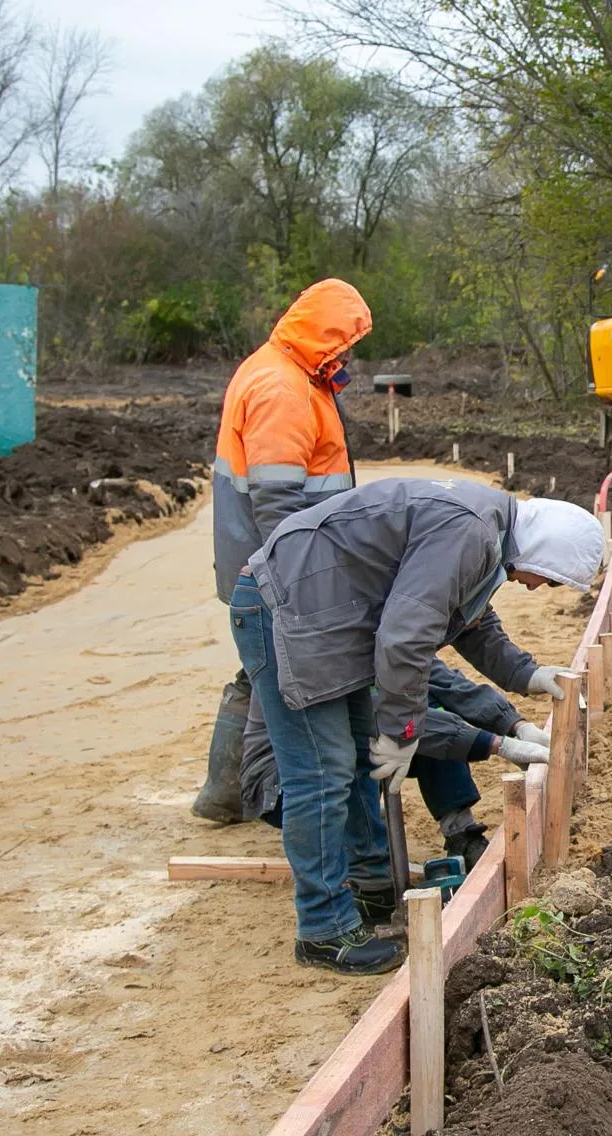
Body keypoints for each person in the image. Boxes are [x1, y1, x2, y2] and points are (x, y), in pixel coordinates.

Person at [233, 478, 604, 974]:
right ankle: (323, 930)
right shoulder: (472, 532)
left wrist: (527, 675)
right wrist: (404, 733)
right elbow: (406, 641)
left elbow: (469, 620)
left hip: (326, 614)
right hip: (287, 610)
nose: (540, 589)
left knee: (357, 761)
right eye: (550, 580)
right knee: (322, 772)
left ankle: (369, 886)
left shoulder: (484, 532)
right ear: (541, 555)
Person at [193, 278, 372, 824]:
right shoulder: (281, 388)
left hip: (260, 561)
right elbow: (278, 502)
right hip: (274, 564)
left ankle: (222, 795)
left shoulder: (289, 372)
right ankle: (237, 792)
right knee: (273, 677)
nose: (348, 355)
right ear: (324, 334)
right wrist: (300, 581)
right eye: (344, 343)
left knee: (259, 673)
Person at [236, 659, 550, 926]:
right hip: (286, 787)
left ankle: (461, 833)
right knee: (410, 725)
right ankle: (366, 884)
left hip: (345, 758)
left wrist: (514, 725)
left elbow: (441, 680)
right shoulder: (324, 647)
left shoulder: (384, 629)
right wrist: (494, 744)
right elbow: (379, 718)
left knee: (421, 704)